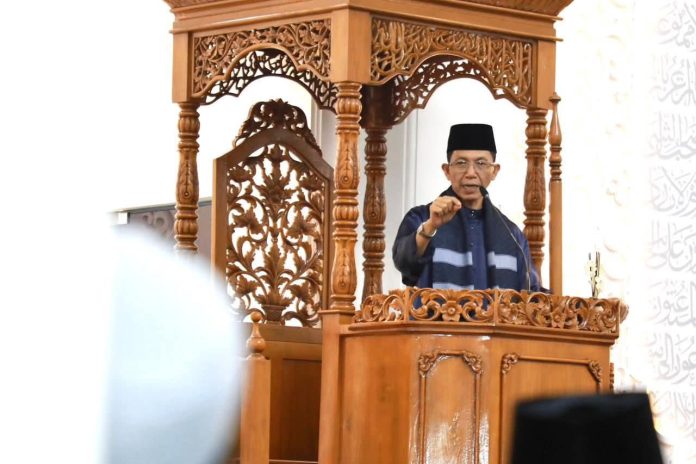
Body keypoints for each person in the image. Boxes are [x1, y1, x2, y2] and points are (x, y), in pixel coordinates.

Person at [392, 123, 541, 292]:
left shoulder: (511, 233)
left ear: (494, 171)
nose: (471, 173)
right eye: (461, 163)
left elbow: (531, 291)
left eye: (481, 163)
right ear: (447, 171)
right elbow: (403, 262)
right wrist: (431, 226)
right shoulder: (421, 217)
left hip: (497, 311)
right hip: (437, 310)